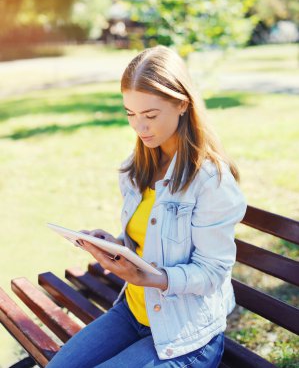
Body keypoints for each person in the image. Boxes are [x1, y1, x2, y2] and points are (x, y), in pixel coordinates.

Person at [46, 45, 247, 368]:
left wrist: (150, 279)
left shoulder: (211, 180)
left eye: (150, 115)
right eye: (131, 114)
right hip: (133, 313)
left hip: (186, 337)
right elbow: (149, 242)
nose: (140, 127)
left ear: (182, 104)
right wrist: (116, 247)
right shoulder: (136, 168)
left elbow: (212, 273)